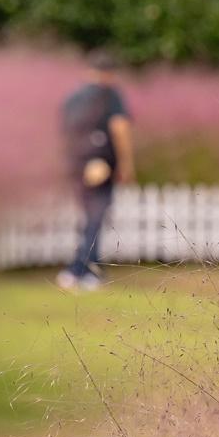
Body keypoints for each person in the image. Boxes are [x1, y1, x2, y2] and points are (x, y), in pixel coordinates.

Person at [56, 52, 135, 291]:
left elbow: (64, 134)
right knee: (95, 217)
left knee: (87, 216)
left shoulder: (71, 98)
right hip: (101, 163)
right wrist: (126, 163)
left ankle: (83, 267)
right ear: (110, 73)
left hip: (76, 164)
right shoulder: (109, 95)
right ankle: (84, 269)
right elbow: (120, 128)